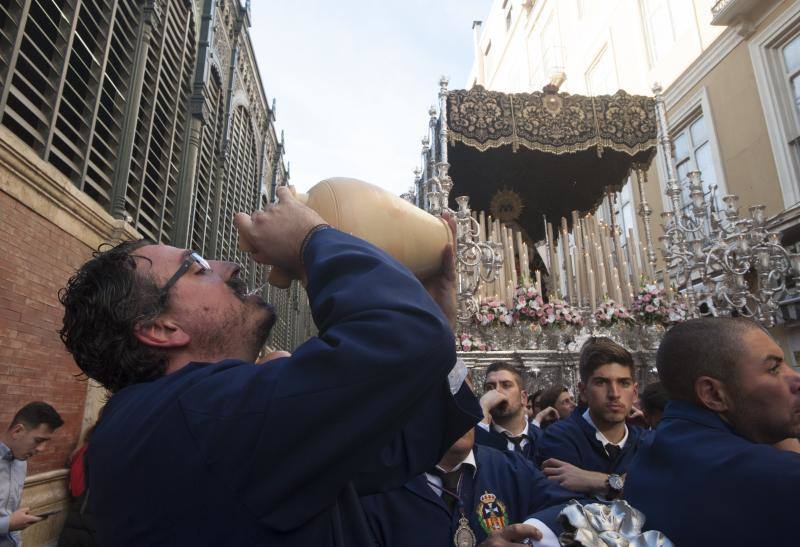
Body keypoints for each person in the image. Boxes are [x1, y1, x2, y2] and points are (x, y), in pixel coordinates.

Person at [58, 188, 481, 546]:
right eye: (198, 267)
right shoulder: (193, 419)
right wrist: (309, 239)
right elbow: (407, 339)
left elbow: (403, 446)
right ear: (161, 328)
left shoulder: (176, 420)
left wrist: (434, 317)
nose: (230, 267)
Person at [625, 318, 800, 546]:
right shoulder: (779, 477)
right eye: (774, 368)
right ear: (714, 394)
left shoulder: (648, 456)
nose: (796, 379)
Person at [360, 427, 579, 546]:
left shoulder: (510, 468)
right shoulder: (372, 486)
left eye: (466, 399)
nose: (461, 412)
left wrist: (533, 535)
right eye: (445, 398)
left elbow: (574, 511)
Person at [538, 338, 648, 498]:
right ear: (583, 391)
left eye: (624, 383)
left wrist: (600, 481)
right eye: (601, 382)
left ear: (635, 392)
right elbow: (568, 509)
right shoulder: (558, 438)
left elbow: (664, 493)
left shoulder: (647, 442)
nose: (614, 394)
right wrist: (632, 485)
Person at [0, 402, 64, 546]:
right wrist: (8, 524)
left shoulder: (21, 462)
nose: (42, 449)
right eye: (39, 440)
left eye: (46, 442)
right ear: (17, 431)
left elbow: (11, 513)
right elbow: (9, 522)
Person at [475, 362, 552, 461]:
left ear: (523, 398)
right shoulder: (478, 437)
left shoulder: (544, 439)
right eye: (490, 387)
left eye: (506, 385)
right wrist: (482, 409)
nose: (497, 391)